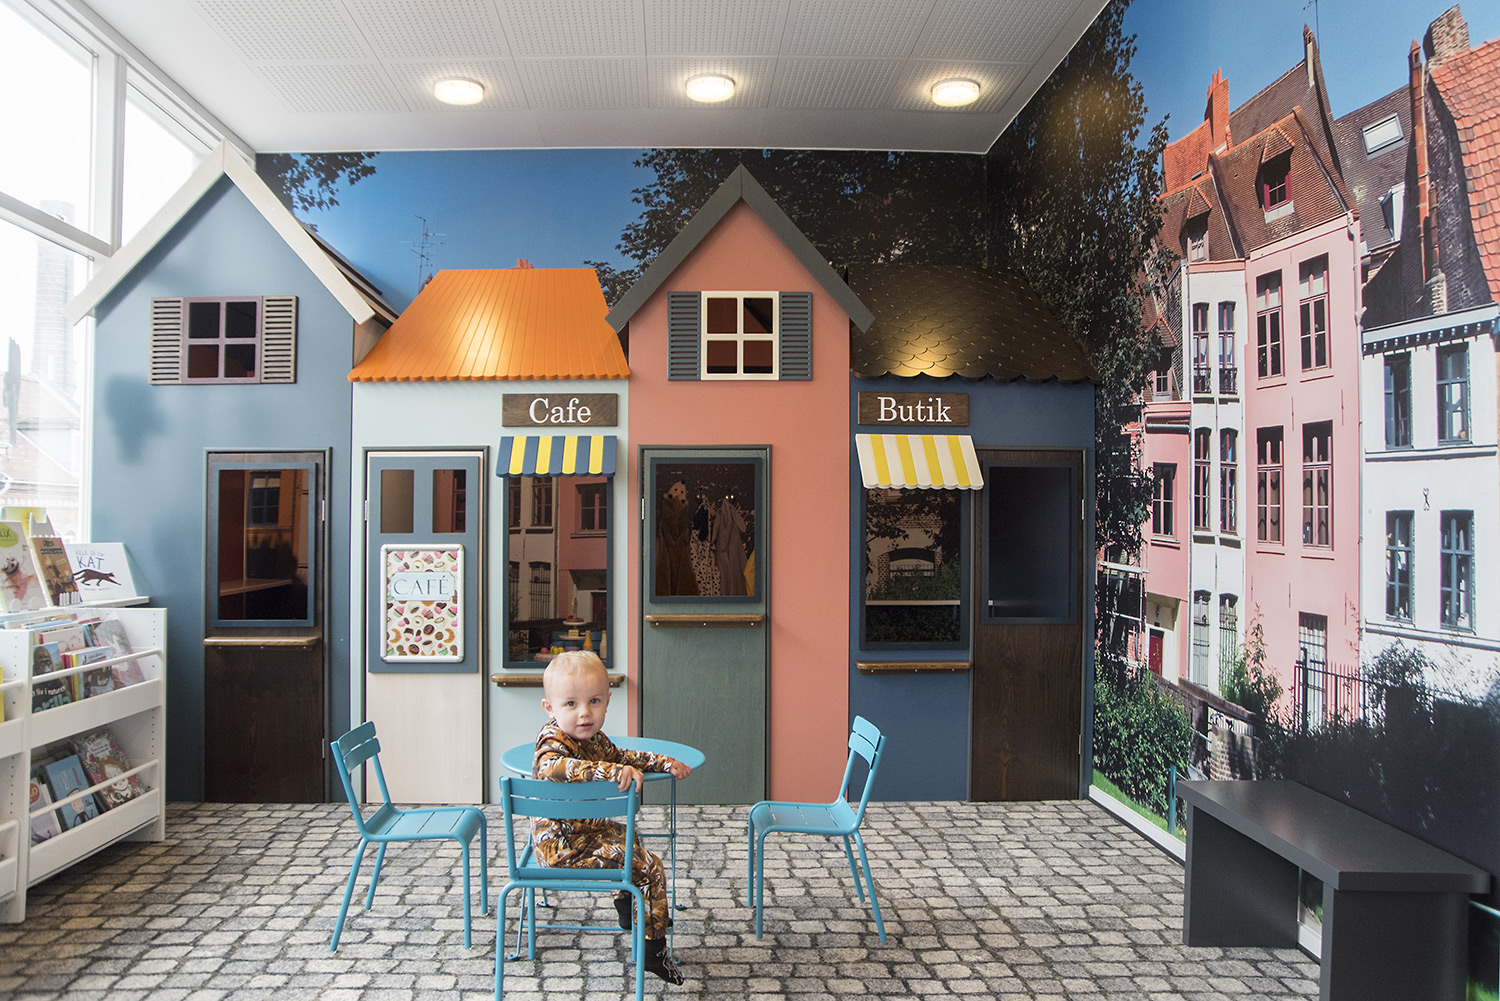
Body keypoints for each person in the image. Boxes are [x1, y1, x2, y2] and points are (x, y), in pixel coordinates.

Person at [533, 651, 692, 985]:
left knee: (629, 836)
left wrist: (663, 762)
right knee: (649, 866)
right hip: (563, 849)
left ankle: (630, 911)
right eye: (571, 704)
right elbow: (552, 767)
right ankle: (653, 952)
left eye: (594, 701)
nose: (584, 713)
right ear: (550, 708)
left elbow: (623, 756)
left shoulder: (595, 740)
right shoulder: (552, 741)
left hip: (587, 833)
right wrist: (610, 771)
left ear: (607, 701)